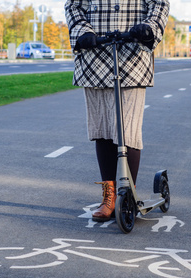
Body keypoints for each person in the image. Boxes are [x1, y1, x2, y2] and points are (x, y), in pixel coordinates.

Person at [65, 0, 170, 222]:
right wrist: (83, 32)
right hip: (94, 55)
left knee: (127, 128)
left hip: (133, 53)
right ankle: (109, 197)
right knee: (102, 128)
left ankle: (128, 195)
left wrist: (149, 27)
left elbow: (159, 4)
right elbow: (73, 6)